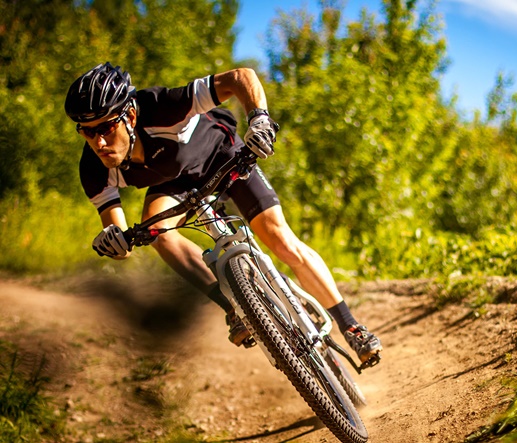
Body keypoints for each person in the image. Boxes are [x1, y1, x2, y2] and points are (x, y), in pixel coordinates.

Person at [64, 62, 382, 365]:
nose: (99, 141)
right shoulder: (93, 169)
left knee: (280, 240)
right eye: (87, 132)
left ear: (131, 115)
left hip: (223, 156)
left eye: (106, 127)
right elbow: (118, 235)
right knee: (157, 233)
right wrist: (116, 243)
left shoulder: (162, 107)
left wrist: (258, 118)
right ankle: (234, 308)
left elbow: (240, 77)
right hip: (177, 183)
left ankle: (351, 325)